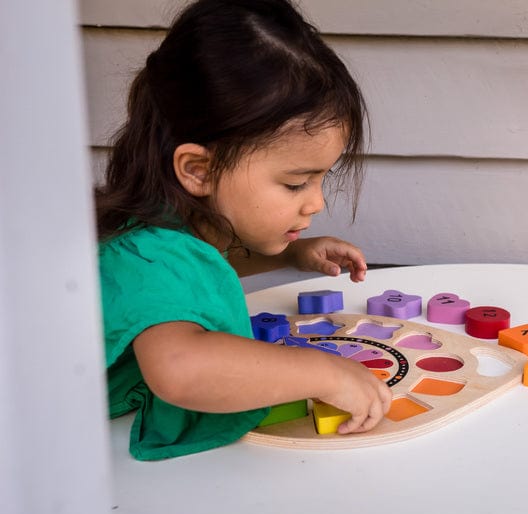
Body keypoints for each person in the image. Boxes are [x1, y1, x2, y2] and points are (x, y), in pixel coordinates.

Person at [95, 0, 392, 460]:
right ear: (197, 169)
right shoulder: (148, 253)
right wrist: (322, 372)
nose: (316, 202)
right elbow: (182, 370)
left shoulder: (165, 229)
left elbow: (192, 277)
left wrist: (288, 255)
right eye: (295, 182)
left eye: (320, 179)